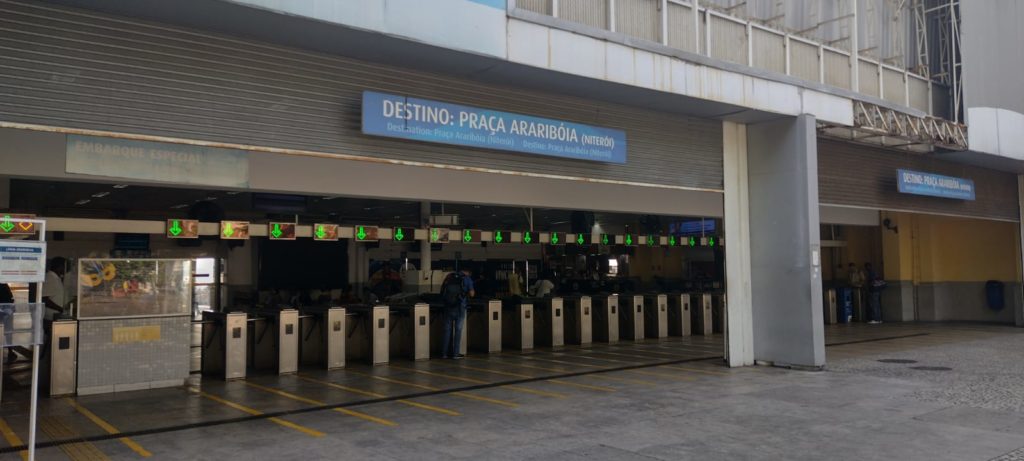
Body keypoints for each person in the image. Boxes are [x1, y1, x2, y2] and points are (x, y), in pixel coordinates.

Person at [440, 268, 474, 359]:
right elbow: (472, 294)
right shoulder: (467, 279)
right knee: (458, 330)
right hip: (460, 307)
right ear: (468, 272)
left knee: (447, 330)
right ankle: (455, 354)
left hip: (448, 306)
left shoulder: (449, 276)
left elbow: (442, 291)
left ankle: (444, 353)